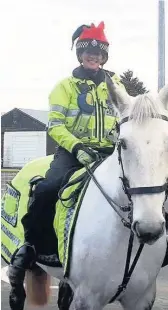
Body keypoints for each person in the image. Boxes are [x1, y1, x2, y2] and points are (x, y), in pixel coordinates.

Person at [8, 21, 125, 301]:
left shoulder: (116, 85)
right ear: (80, 55)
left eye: (97, 53)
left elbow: (126, 117)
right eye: (87, 52)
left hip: (109, 152)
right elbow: (56, 125)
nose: (92, 57)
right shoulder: (65, 87)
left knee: (142, 189)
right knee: (47, 189)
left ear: (104, 56)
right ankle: (31, 248)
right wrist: (77, 146)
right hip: (73, 153)